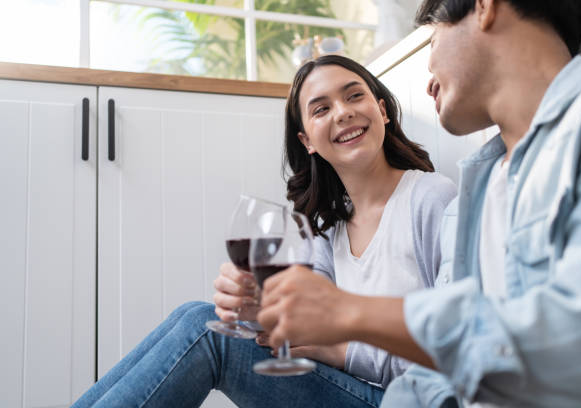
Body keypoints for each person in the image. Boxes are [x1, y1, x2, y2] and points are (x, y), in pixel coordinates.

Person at [257, 0, 581, 406]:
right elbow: (432, 380)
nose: (428, 78)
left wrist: (352, 314)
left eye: (432, 40)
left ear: (484, 8)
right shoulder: (472, 196)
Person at [71, 55, 456, 408]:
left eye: (354, 96)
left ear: (382, 111)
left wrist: (339, 351)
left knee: (205, 332)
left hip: (411, 401)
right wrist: (256, 311)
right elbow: (301, 330)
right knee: (195, 314)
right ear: (307, 141)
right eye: (321, 109)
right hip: (352, 391)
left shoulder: (430, 197)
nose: (343, 113)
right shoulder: (328, 228)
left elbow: (452, 346)